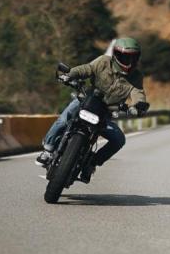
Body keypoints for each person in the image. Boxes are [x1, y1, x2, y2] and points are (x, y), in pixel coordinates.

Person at [36, 37, 148, 181]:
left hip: (106, 113)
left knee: (119, 139)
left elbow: (138, 93)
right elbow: (86, 69)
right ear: (116, 55)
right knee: (65, 117)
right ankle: (48, 149)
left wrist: (139, 106)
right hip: (86, 100)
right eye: (126, 57)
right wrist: (69, 75)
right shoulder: (103, 62)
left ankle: (92, 163)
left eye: (133, 58)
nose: (129, 62)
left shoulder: (136, 76)